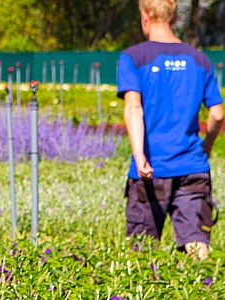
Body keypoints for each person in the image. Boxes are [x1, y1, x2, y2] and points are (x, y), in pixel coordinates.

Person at [119, 0, 223, 260]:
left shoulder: (133, 57)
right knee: (197, 243)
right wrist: (205, 148)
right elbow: (218, 114)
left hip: (150, 172)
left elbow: (134, 109)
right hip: (193, 167)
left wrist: (140, 157)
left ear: (145, 16)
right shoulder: (200, 59)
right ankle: (207, 290)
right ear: (175, 17)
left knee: (142, 252)